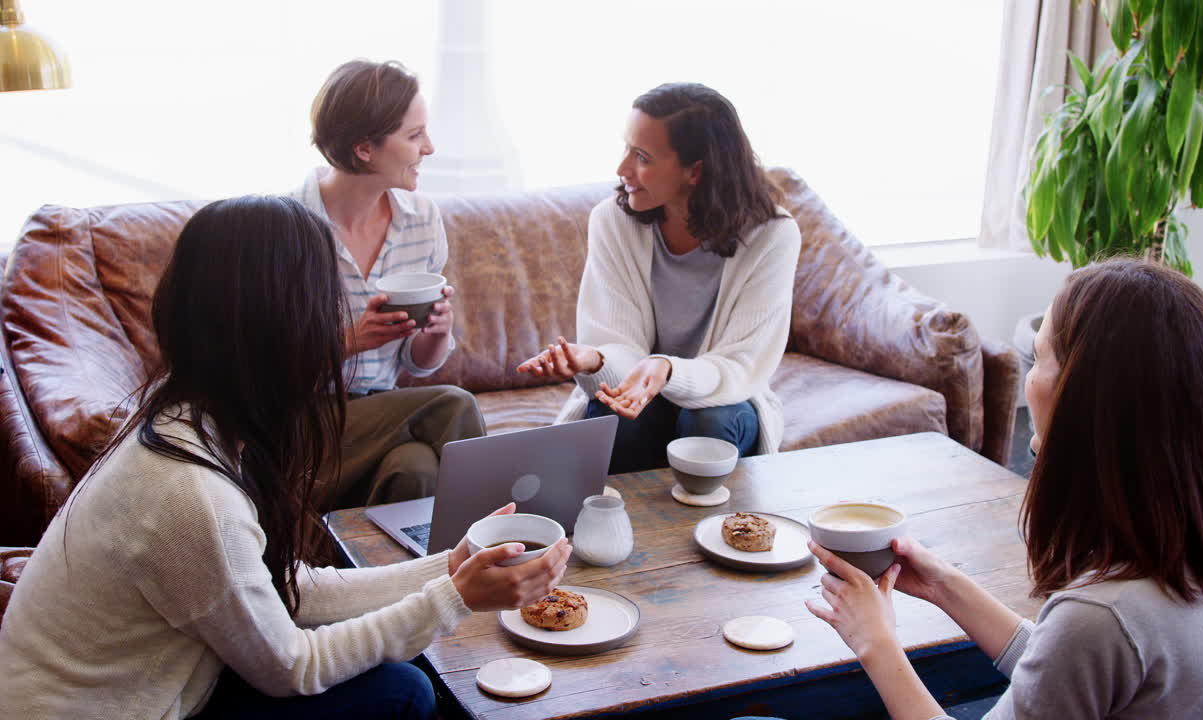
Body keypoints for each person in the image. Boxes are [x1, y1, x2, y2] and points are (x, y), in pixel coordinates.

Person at [0, 197, 572, 719]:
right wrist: (453, 598)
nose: (333, 323)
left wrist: (450, 564)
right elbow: (293, 666)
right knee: (404, 691)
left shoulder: (185, 418)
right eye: (325, 302)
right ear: (280, 324)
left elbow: (285, 591)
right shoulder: (188, 494)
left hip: (142, 687)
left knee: (406, 670)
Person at [805, 258, 1203, 719]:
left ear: (1084, 398)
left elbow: (1082, 648)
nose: (1030, 378)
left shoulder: (1100, 617)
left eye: (1040, 356)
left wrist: (877, 644)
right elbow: (1068, 676)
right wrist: (945, 586)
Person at [517, 82, 801, 474]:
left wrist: (666, 370)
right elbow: (621, 355)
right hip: (644, 399)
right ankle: (621, 532)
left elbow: (740, 368)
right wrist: (595, 358)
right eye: (626, 149)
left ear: (695, 171)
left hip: (724, 401)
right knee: (612, 414)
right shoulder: (613, 222)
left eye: (642, 156)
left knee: (706, 423)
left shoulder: (772, 235)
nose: (622, 169)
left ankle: (706, 533)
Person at [293, 59, 484, 510]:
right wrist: (349, 341)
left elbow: (416, 365)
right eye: (414, 136)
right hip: (299, 420)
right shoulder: (287, 228)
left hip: (382, 409)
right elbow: (260, 371)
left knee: (415, 470)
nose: (430, 147)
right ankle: (502, 546)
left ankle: (408, 579)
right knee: (453, 405)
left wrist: (436, 335)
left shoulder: (421, 220)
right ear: (365, 150)